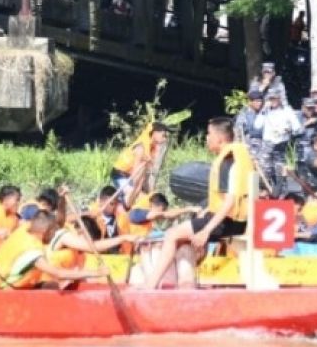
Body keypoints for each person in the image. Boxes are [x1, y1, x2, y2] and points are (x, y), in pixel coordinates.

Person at [143, 117, 252, 289]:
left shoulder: (226, 161)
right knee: (182, 239)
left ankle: (150, 285)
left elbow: (229, 202)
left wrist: (206, 231)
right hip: (239, 220)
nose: (206, 138)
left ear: (220, 139)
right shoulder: (239, 157)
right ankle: (186, 284)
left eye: (209, 134)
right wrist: (207, 209)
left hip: (226, 222)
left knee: (171, 234)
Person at [0, 211, 109, 290]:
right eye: (53, 232)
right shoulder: (32, 251)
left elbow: (60, 220)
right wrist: (97, 273)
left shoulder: (25, 229)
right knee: (55, 282)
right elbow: (59, 273)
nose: (54, 235)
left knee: (51, 285)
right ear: (46, 231)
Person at [260, 88, 302, 195]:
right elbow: (257, 125)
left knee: (279, 171)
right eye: (271, 99)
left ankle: (279, 193)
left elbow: (297, 128)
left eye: (275, 99)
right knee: (265, 169)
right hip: (267, 144)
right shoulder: (265, 111)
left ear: (279, 99)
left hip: (281, 144)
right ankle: (266, 191)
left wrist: (288, 129)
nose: (273, 101)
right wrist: (263, 110)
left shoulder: (287, 110)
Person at [111, 122, 170, 193]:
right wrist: (138, 191)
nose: (165, 139)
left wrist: (149, 192)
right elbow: (135, 174)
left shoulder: (152, 148)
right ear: (154, 133)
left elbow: (145, 172)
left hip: (130, 176)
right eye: (163, 135)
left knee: (146, 195)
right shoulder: (141, 147)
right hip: (120, 175)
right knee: (133, 195)